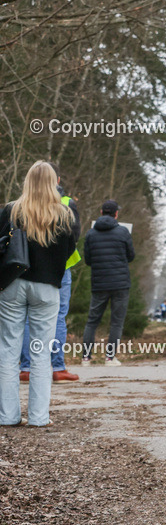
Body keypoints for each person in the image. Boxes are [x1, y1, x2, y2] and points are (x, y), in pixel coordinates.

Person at [0, 161, 80, 426]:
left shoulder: (11, 210)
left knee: (8, 351)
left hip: (13, 284)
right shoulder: (65, 214)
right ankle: (38, 417)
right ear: (54, 182)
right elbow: (69, 251)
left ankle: (8, 416)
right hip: (47, 288)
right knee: (41, 353)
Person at [18, 170, 80, 384]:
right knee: (58, 317)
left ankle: (26, 368)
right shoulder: (67, 203)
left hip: (25, 269)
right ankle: (58, 367)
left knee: (26, 318)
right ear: (57, 180)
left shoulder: (18, 205)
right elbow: (73, 239)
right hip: (58, 269)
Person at [82, 200, 135, 365]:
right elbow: (131, 256)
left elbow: (88, 260)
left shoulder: (90, 234)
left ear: (101, 212)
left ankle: (86, 357)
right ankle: (110, 357)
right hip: (120, 284)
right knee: (116, 322)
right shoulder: (123, 232)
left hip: (99, 283)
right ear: (116, 214)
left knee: (92, 321)